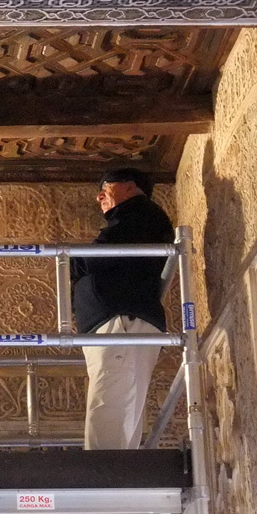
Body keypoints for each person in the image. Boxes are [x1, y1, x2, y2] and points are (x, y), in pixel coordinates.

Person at [71, 168, 175, 450]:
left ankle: (105, 482)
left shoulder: (141, 215)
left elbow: (92, 259)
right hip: (117, 323)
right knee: (116, 405)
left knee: (110, 405)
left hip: (123, 323)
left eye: (107, 186)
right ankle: (112, 478)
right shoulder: (133, 220)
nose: (99, 196)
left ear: (130, 188)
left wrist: (75, 263)